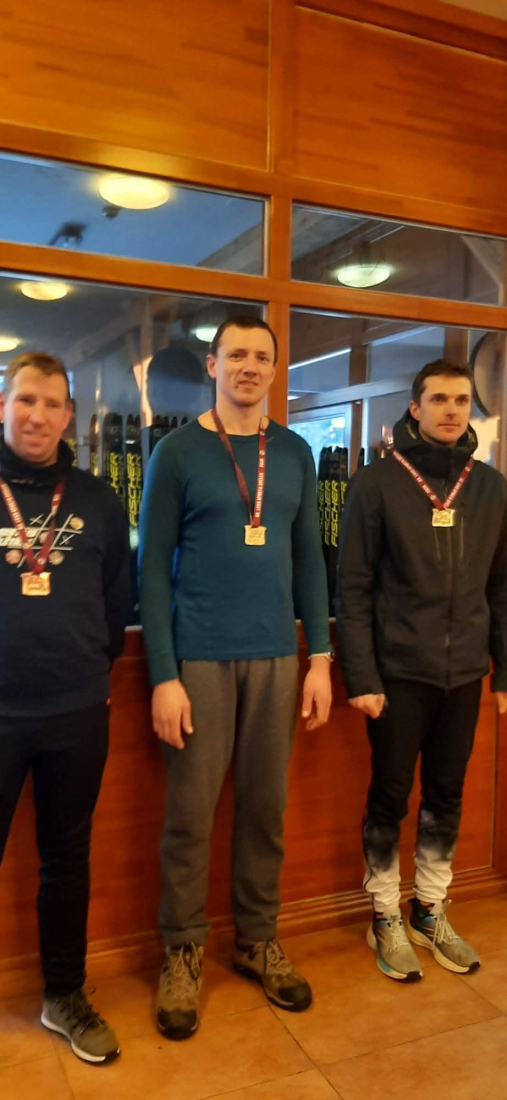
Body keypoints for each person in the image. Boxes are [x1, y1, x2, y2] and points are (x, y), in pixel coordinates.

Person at [139, 316, 332, 1040]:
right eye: (236, 355)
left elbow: (309, 559)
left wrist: (319, 657)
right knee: (189, 815)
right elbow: (151, 568)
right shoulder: (177, 453)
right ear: (213, 366)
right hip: (199, 660)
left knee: (264, 809)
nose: (249, 367)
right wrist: (163, 675)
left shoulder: (293, 453)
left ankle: (256, 938)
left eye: (261, 357)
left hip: (276, 658)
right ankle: (182, 950)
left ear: (274, 371)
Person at [336, 359, 507, 982]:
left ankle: (430, 908)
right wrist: (362, 677)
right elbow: (352, 588)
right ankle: (384, 913)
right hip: (398, 673)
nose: (451, 410)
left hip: (464, 673)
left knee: (446, 795)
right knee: (389, 796)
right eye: (438, 399)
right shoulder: (377, 482)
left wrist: (503, 672)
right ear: (415, 408)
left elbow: (501, 587)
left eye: (461, 400)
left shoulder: (490, 487)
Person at [0, 352, 130, 1062]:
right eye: (26, 400)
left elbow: (116, 602)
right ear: (3, 405)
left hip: (77, 710)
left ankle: (64, 995)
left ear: (69, 416)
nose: (38, 415)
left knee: (67, 859)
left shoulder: (97, 499)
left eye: (52, 404)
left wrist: (86, 668)